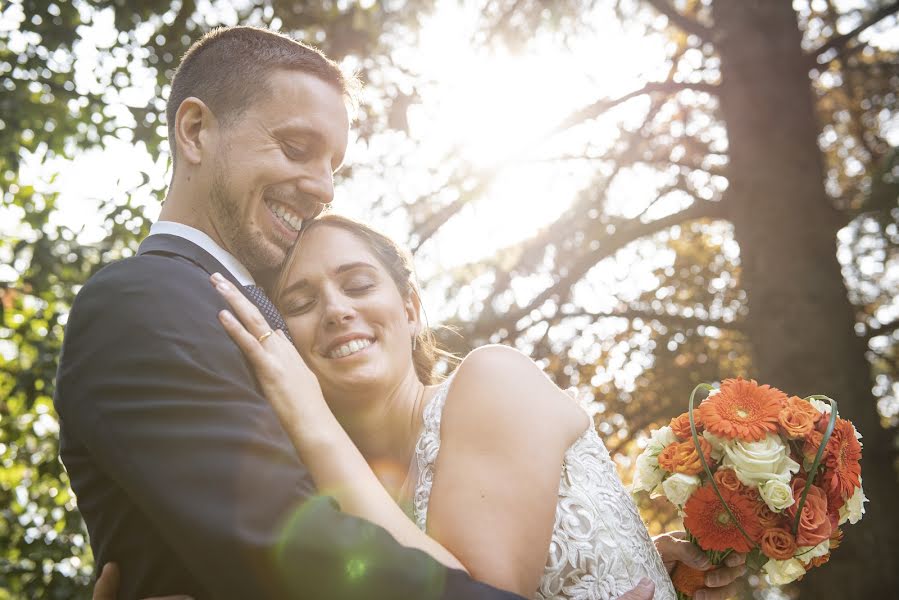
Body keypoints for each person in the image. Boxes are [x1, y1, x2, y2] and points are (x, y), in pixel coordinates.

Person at [55, 25, 524, 600]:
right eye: (296, 149)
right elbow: (293, 549)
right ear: (196, 131)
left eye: (334, 165)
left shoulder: (272, 322)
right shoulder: (144, 301)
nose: (324, 188)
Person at [112, 214, 745, 600]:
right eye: (301, 303)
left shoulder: (491, 379)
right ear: (280, 340)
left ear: (411, 308)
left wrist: (309, 416)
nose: (337, 310)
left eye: (358, 285)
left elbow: (478, 597)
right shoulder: (316, 504)